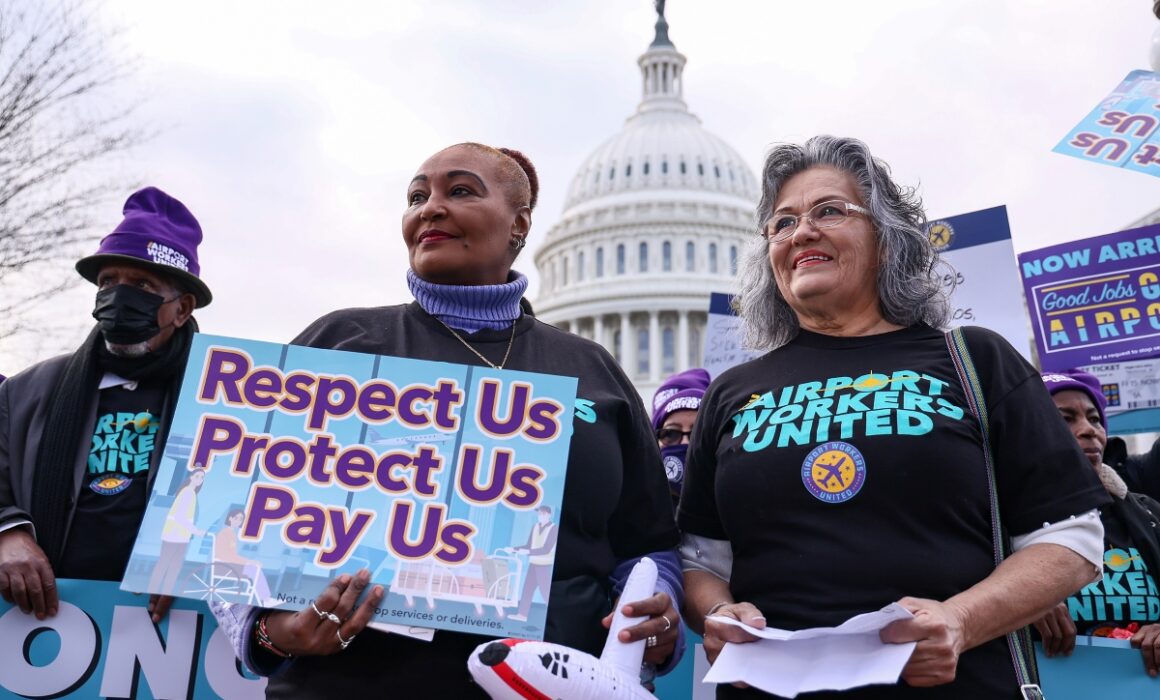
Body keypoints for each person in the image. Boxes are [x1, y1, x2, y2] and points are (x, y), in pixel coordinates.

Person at [211, 143, 684, 698]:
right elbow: (227, 511)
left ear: (519, 224)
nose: (429, 208)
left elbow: (647, 541)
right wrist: (270, 633)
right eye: (416, 196)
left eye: (459, 190)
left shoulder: (593, 370)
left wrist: (655, 616)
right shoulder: (340, 345)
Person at [678, 135, 1110, 699]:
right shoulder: (733, 391)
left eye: (828, 211)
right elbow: (700, 559)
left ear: (887, 238)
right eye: (781, 224)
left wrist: (960, 621)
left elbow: (1071, 539)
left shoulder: (975, 360)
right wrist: (718, 612)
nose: (801, 232)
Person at [0, 187, 211, 624]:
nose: (119, 295)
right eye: (108, 281)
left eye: (142, 285)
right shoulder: (27, 391)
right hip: (40, 624)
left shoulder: (222, 401)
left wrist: (197, 557)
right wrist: (7, 533)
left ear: (182, 308)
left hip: (173, 631)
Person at [1035, 370, 1160, 676]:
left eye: (1094, 419)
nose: (1089, 430)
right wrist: (1018, 604)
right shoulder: (995, 522)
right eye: (1066, 419)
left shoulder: (1149, 514)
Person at [652, 368, 710, 509]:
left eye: (697, 434)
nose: (685, 443)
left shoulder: (732, 501)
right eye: (670, 434)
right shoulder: (636, 505)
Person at [147, 466, 206, 595]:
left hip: (180, 537)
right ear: (191, 477)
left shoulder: (190, 493)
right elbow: (180, 517)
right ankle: (154, 592)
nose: (200, 479)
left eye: (202, 478)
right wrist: (196, 531)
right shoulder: (188, 493)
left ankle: (162, 592)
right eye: (197, 476)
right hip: (174, 536)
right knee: (166, 565)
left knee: (172, 567)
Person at [213, 507, 275, 605]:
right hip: (223, 566)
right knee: (255, 570)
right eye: (236, 518)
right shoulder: (225, 533)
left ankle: (265, 599)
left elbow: (232, 555)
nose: (238, 521)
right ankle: (266, 599)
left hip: (229, 564)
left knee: (256, 569)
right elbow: (226, 556)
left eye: (241, 519)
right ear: (230, 518)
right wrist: (249, 562)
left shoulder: (231, 533)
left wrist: (248, 561)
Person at [509, 504, 558, 622]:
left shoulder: (554, 528)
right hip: (534, 563)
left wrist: (528, 552)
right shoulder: (535, 526)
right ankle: (522, 614)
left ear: (549, 515)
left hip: (545, 565)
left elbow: (546, 548)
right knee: (527, 589)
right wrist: (514, 549)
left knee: (546, 591)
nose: (540, 516)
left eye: (543, 513)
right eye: (539, 513)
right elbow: (528, 545)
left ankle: (555, 617)